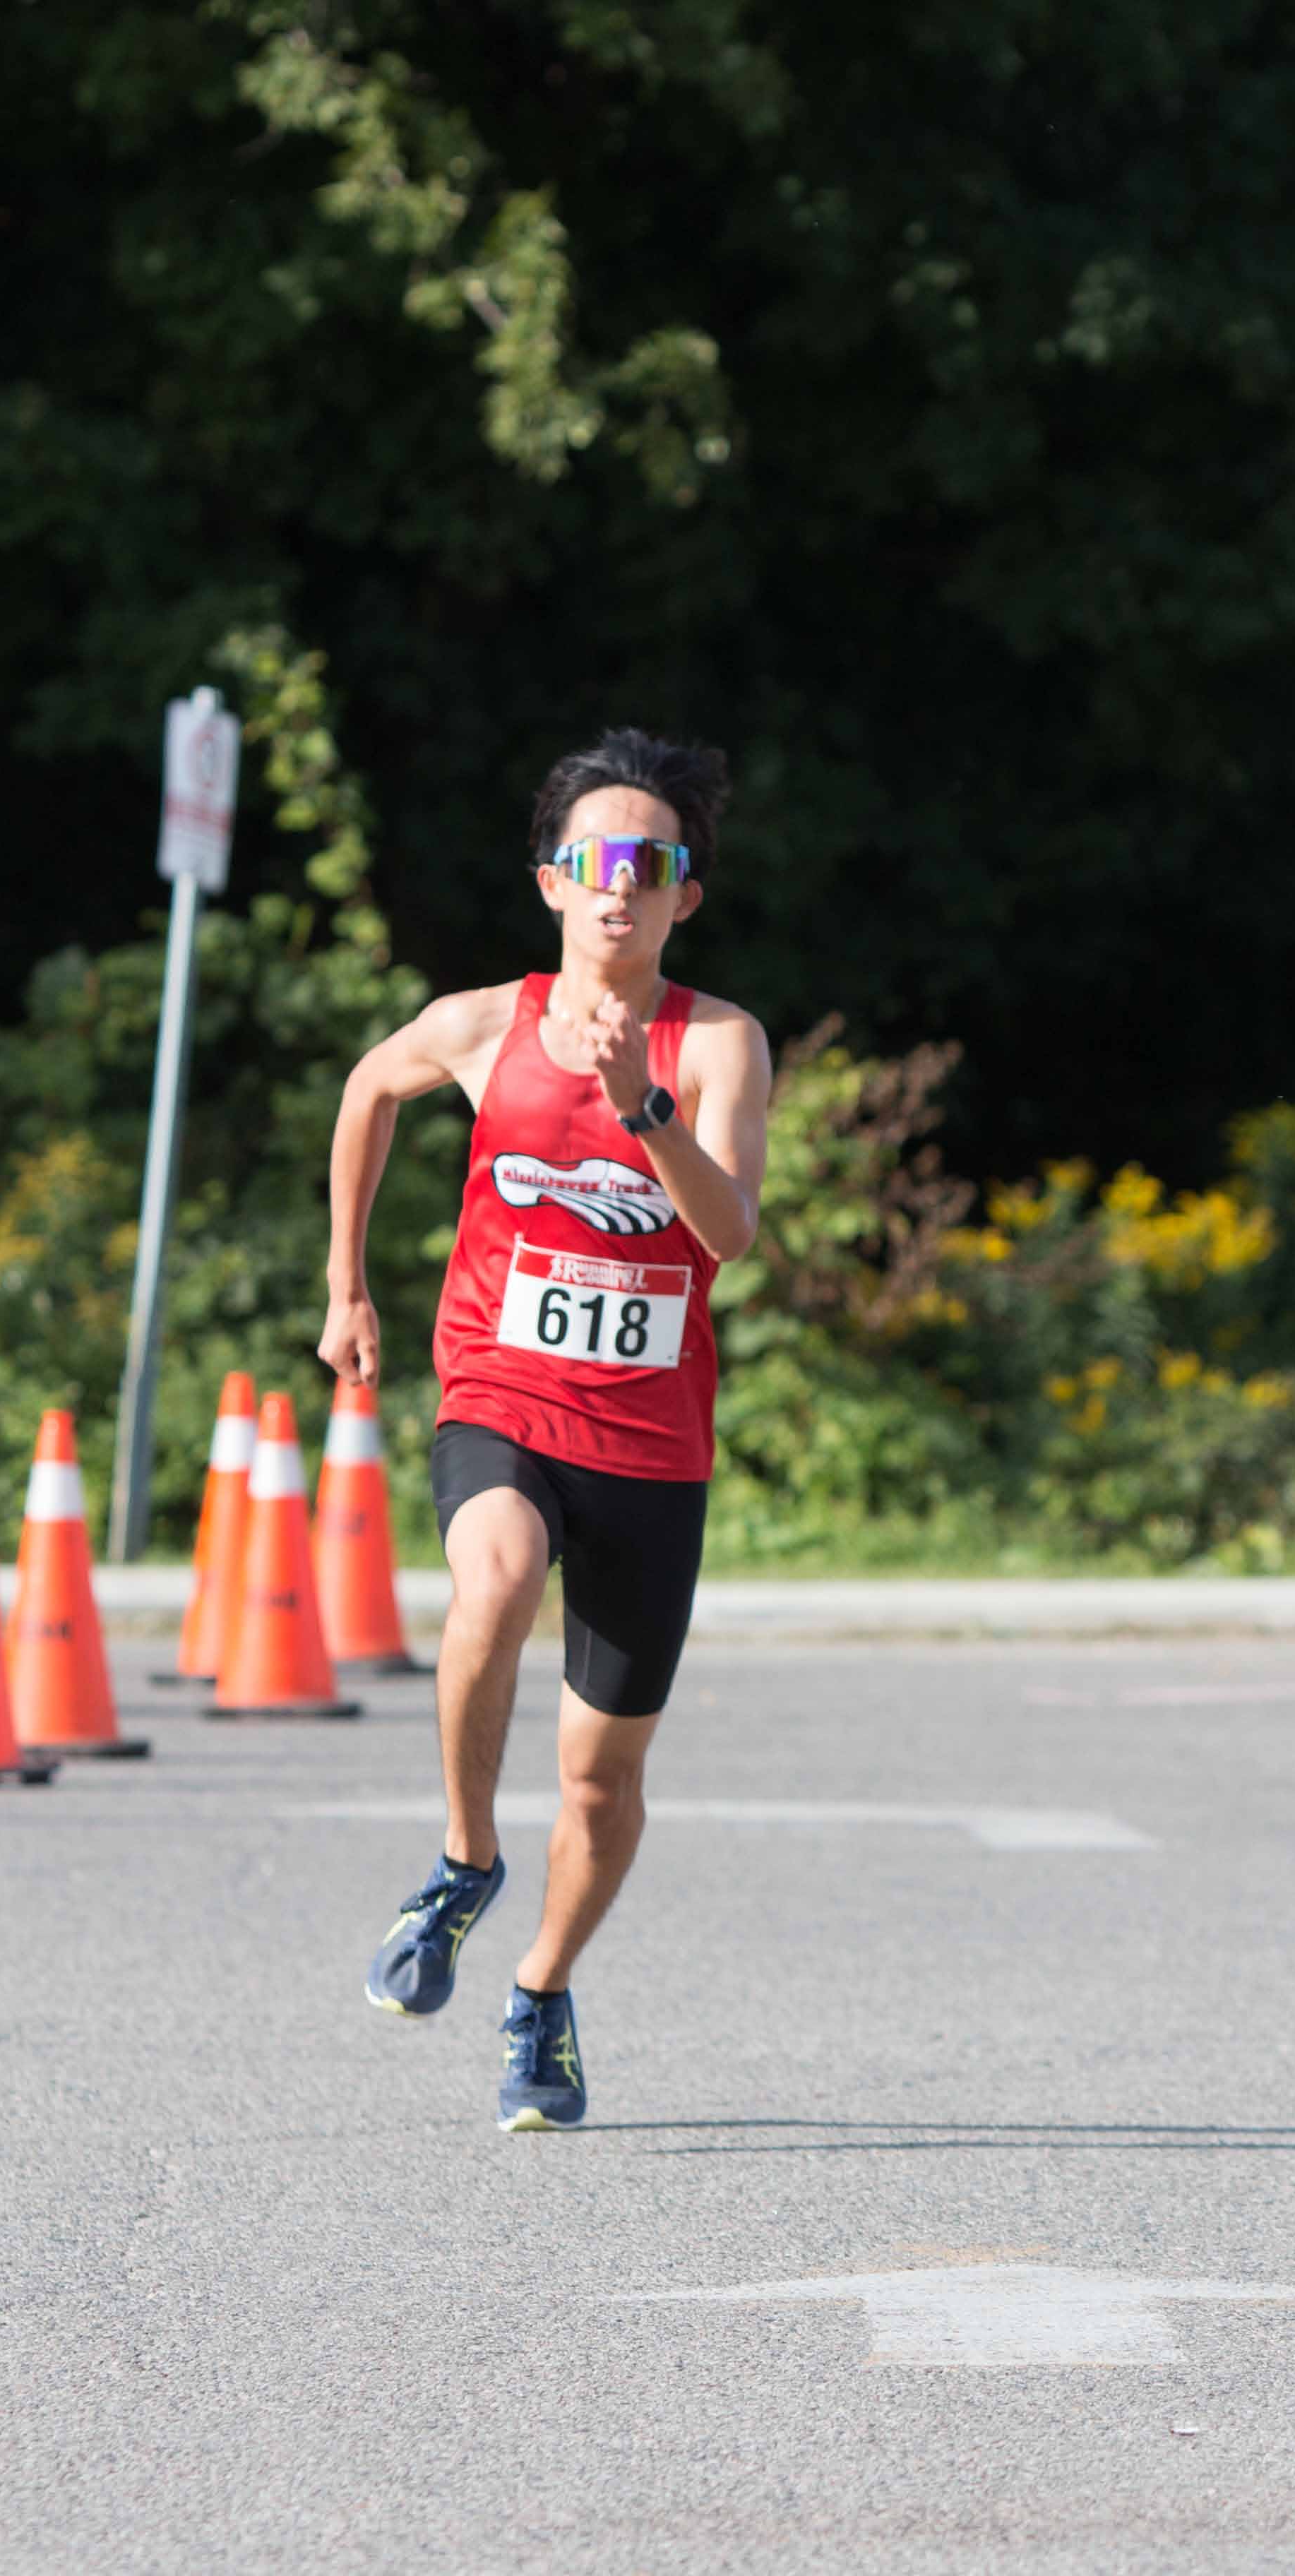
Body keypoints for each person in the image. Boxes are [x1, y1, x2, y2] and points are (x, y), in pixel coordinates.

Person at [318, 728, 773, 2131]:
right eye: (597, 860)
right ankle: (464, 1859)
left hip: (651, 1450)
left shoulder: (719, 1043)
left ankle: (541, 1989)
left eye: (651, 862)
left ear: (685, 893)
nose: (620, 884)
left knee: (600, 1782)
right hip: (502, 1392)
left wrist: (643, 1106)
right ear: (552, 884)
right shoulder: (481, 1026)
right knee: (497, 1574)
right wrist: (345, 1285)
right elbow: (367, 1090)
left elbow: (729, 1233)